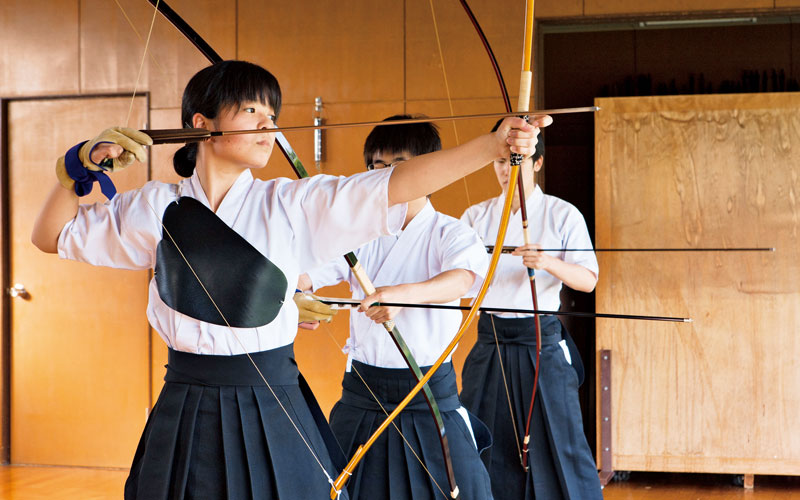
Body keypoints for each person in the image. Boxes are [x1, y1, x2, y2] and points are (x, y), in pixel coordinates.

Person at [30, 60, 545, 500]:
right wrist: (78, 166)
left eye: (271, 115)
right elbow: (51, 237)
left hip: (269, 396)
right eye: (251, 109)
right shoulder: (156, 206)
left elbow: (394, 184)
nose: (267, 124)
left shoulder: (292, 203)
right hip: (185, 396)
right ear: (201, 121)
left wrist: (490, 145)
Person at [296, 116, 493, 500]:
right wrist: (295, 295)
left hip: (427, 393)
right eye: (376, 167)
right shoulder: (359, 233)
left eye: (399, 165)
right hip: (363, 395)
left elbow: (463, 279)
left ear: (428, 170)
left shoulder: (451, 233)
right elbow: (310, 271)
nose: (385, 177)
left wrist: (403, 296)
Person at [459, 125, 603, 500]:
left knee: (563, 441)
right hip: (490, 342)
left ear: (537, 162)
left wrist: (548, 262)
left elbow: (587, 280)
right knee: (479, 439)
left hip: (541, 342)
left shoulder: (562, 214)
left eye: (516, 160)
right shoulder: (474, 217)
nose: (506, 169)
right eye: (500, 160)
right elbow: (461, 282)